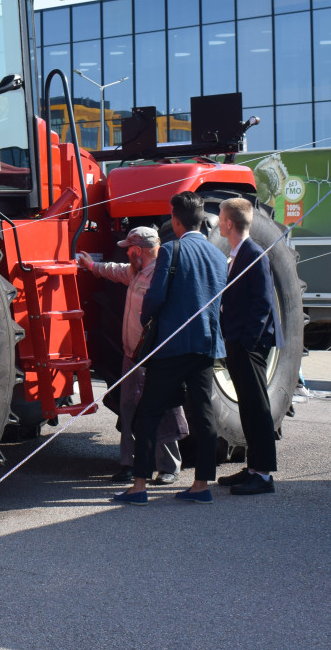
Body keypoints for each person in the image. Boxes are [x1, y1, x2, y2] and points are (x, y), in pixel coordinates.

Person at [113, 192, 227, 505]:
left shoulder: (172, 250)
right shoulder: (218, 255)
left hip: (171, 345)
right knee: (204, 416)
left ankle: (139, 486)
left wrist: (148, 320)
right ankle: (201, 485)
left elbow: (155, 297)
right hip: (205, 345)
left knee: (148, 414)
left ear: (175, 221)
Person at [79, 226, 188, 485]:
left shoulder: (162, 276)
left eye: (129, 248)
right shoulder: (136, 271)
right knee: (128, 411)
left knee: (161, 410)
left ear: (138, 251)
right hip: (131, 357)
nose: (126, 252)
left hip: (152, 358)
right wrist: (93, 267)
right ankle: (129, 465)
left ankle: (169, 467)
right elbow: (116, 270)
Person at [216, 197, 284, 496]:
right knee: (248, 405)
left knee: (257, 407)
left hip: (250, 343)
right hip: (240, 340)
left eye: (220, 218)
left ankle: (264, 474)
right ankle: (254, 467)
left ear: (229, 223)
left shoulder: (254, 253)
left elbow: (264, 303)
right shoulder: (239, 252)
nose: (218, 222)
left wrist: (248, 341)